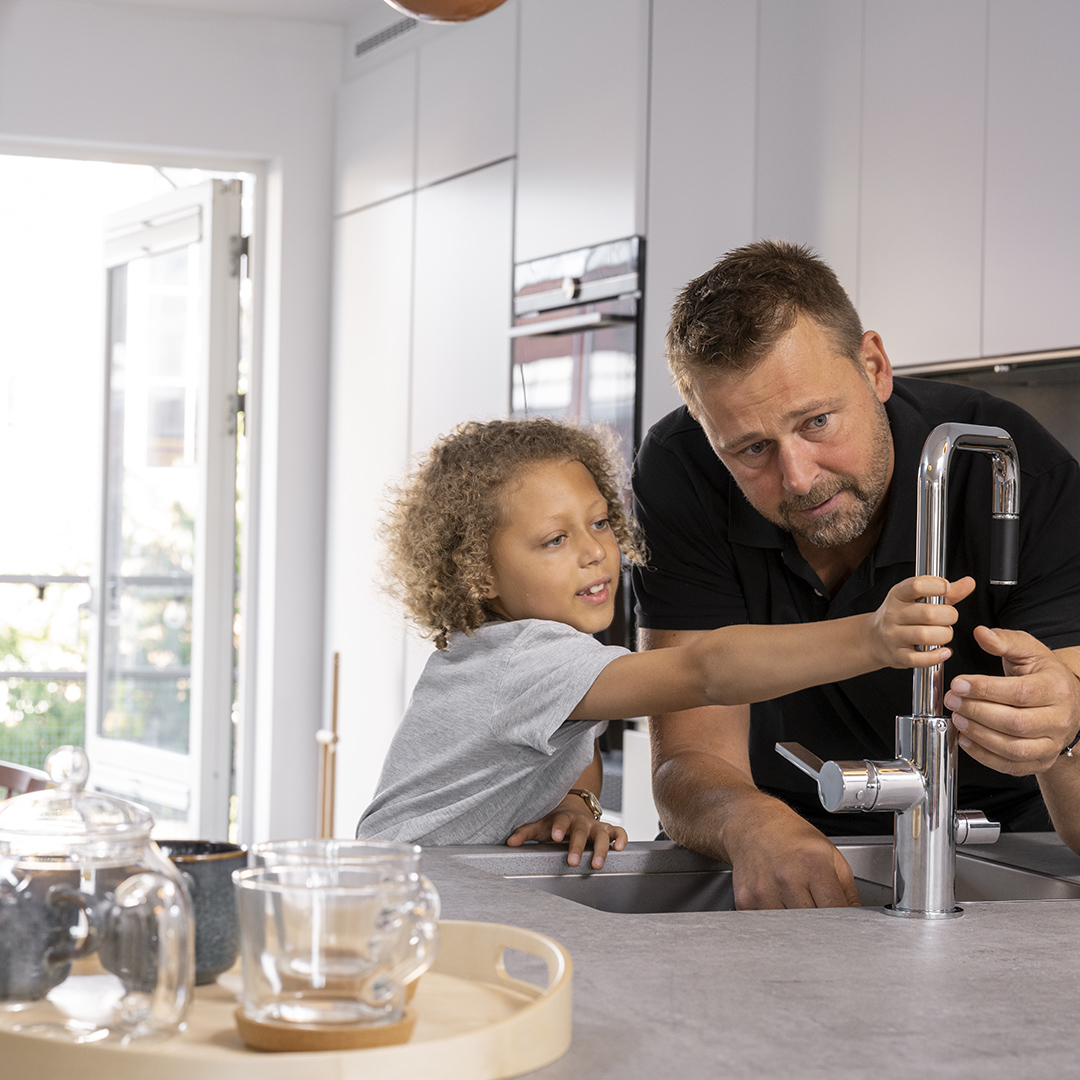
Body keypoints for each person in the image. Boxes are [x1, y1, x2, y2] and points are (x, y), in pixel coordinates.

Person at [632, 239, 1080, 909]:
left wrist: (1063, 724)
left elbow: (1071, 749)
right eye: (751, 449)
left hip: (1005, 835)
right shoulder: (681, 471)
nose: (798, 478)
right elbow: (689, 756)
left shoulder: (1013, 471)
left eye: (817, 421)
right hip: (778, 825)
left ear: (874, 367)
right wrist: (747, 822)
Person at [356, 417, 972, 870]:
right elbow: (704, 671)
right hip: (406, 892)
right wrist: (870, 636)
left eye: (600, 522)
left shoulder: (518, 655)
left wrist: (574, 803)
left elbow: (574, 745)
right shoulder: (524, 659)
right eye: (554, 540)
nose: (595, 552)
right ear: (478, 574)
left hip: (423, 885)